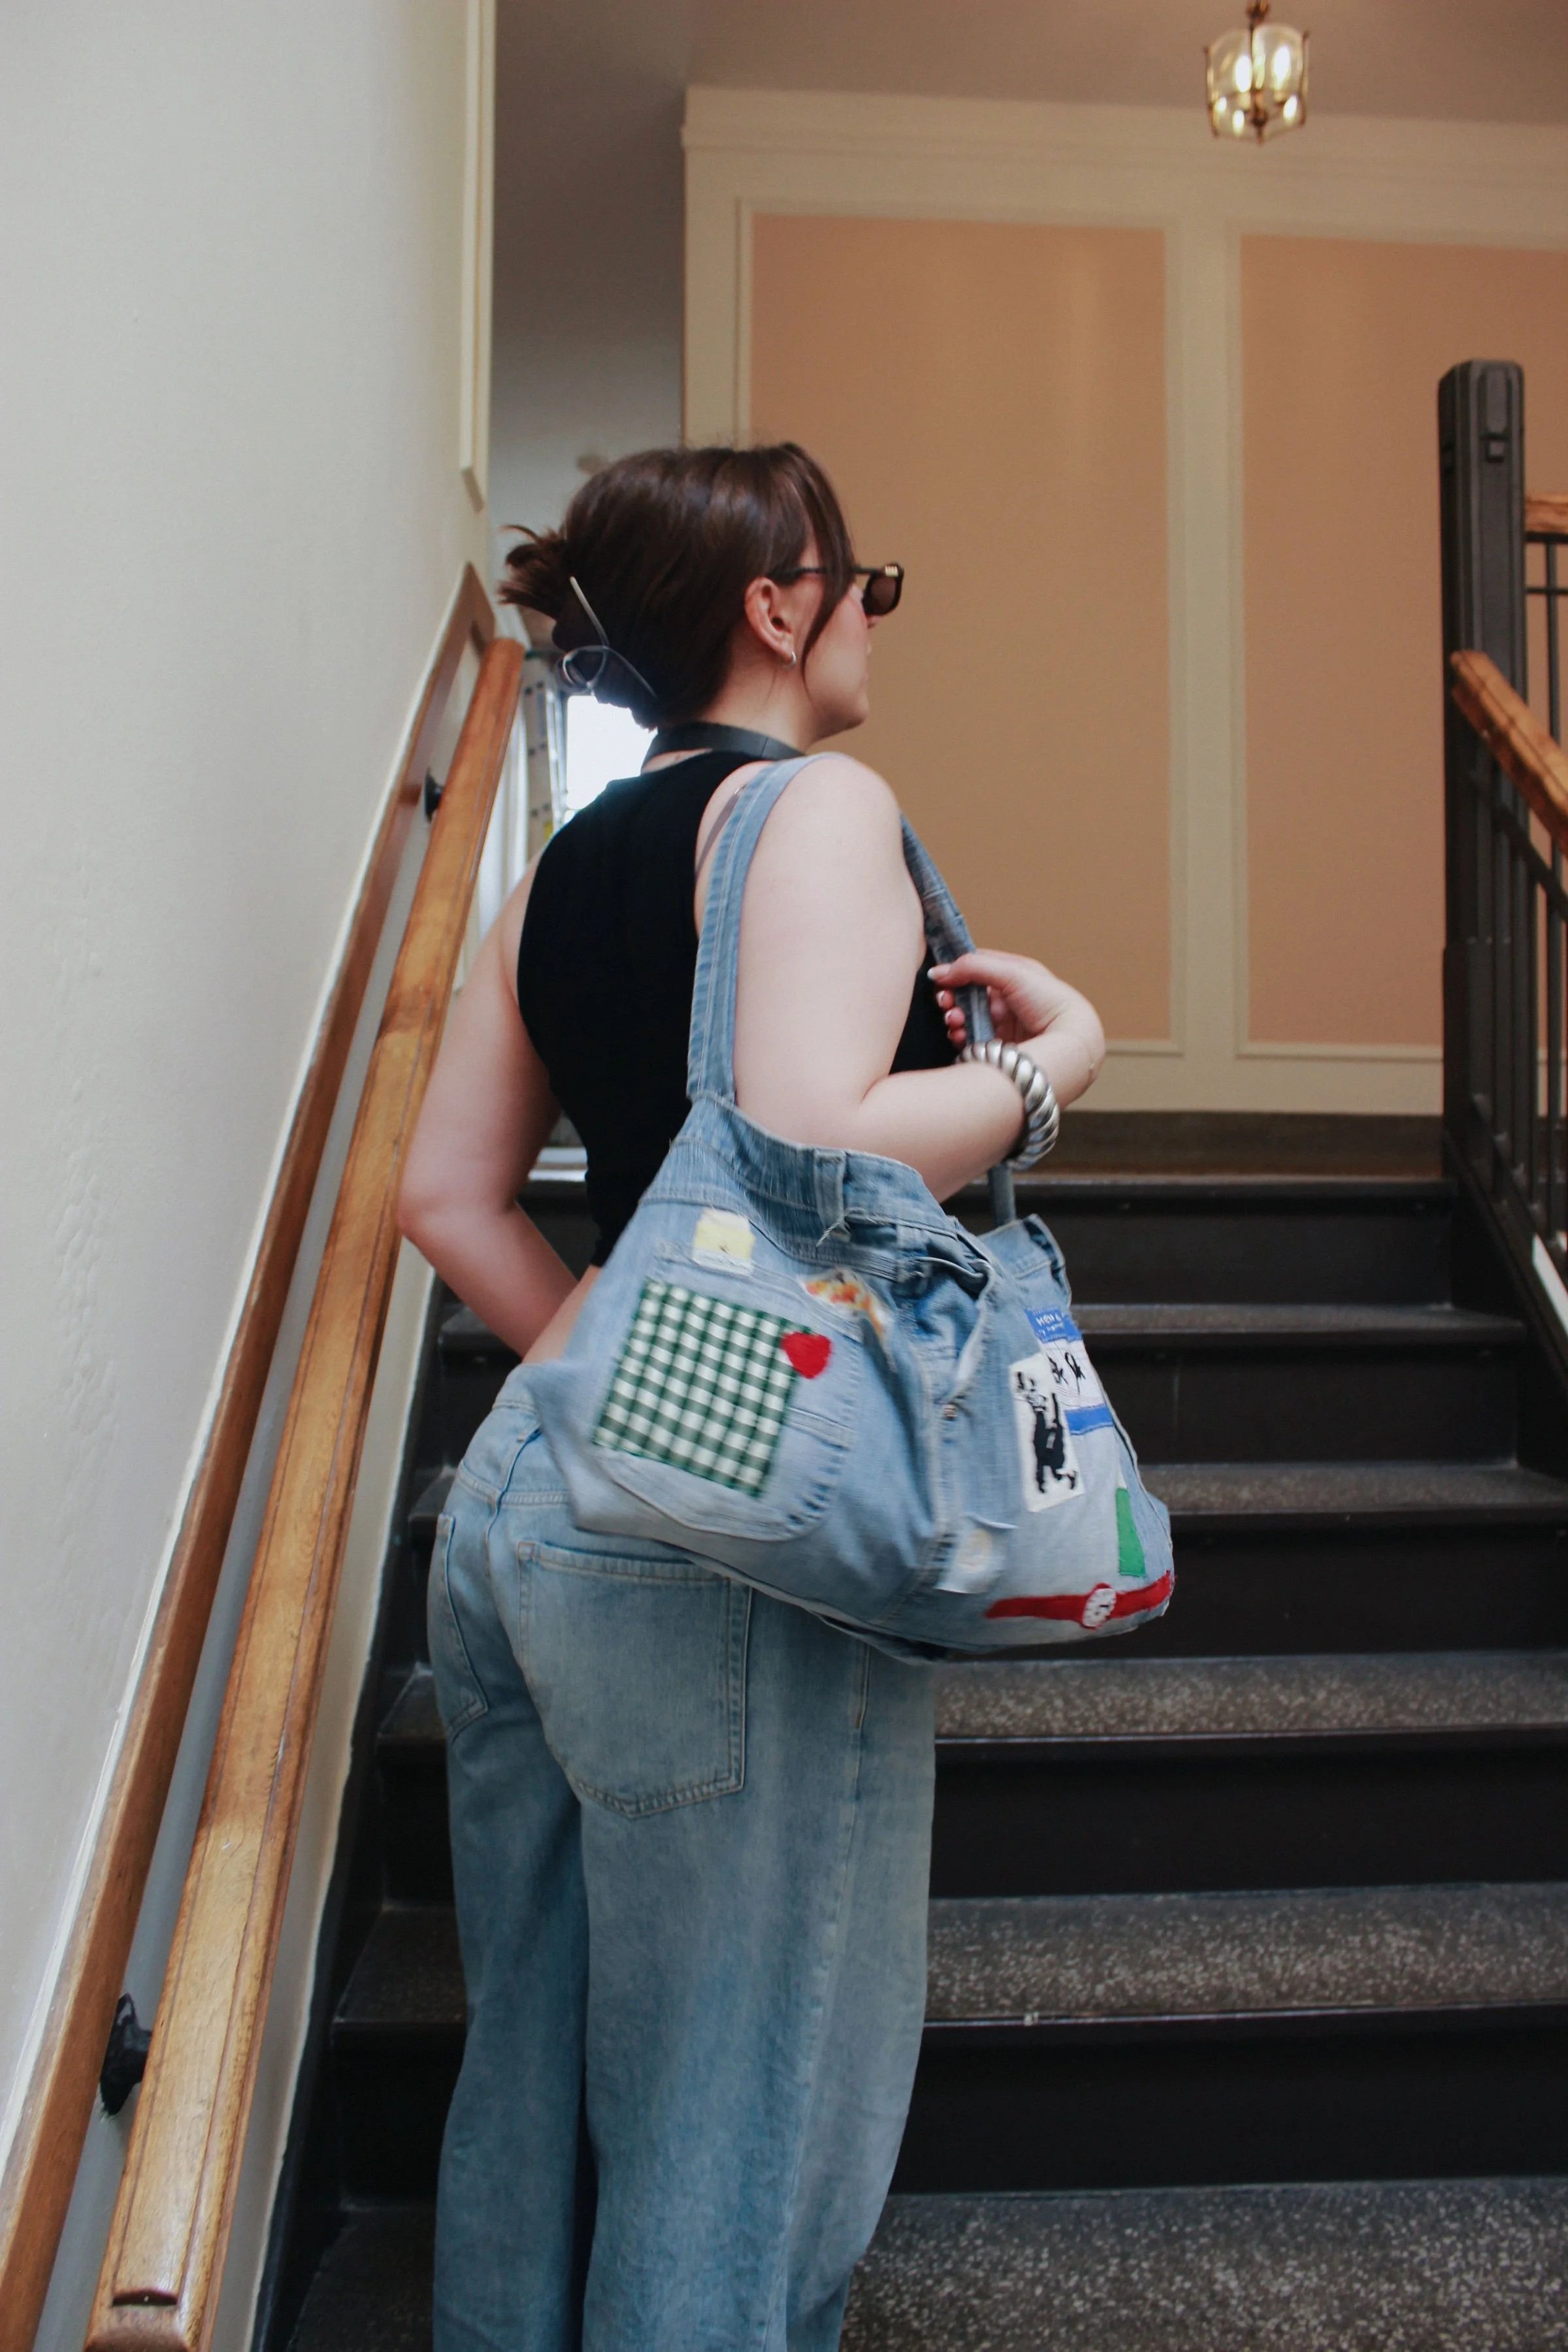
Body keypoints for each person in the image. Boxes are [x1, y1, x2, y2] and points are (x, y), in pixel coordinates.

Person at [398, 442, 1105, 2352]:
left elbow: (447, 1197)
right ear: (780, 604)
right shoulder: (819, 811)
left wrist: (614, 1392)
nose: (876, 617)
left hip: (522, 1519)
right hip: (724, 1563)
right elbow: (812, 1144)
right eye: (868, 582)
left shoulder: (557, 865)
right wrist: (1061, 1069)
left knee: (531, 2099)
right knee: (737, 2116)